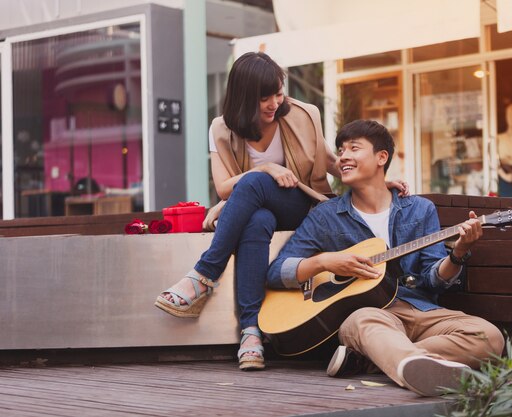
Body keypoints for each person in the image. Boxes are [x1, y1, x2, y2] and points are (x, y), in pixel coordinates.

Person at [155, 52, 407, 371]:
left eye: (278, 93)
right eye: (265, 97)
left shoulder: (302, 115)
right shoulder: (221, 128)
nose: (275, 102)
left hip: (304, 205)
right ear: (245, 97)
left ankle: (203, 276)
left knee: (254, 184)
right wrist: (268, 170)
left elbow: (330, 161)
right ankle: (251, 334)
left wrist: (378, 180)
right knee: (257, 219)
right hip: (261, 210)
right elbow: (223, 187)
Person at [267, 120, 504, 396]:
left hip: (418, 310)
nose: (343, 156)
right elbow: (276, 272)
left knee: (489, 336)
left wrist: (460, 252)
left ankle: (380, 359)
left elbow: (434, 278)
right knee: (361, 321)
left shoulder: (419, 210)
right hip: (368, 315)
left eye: (354, 148)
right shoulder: (326, 216)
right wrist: (324, 262)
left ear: (382, 157)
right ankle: (410, 362)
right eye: (341, 150)